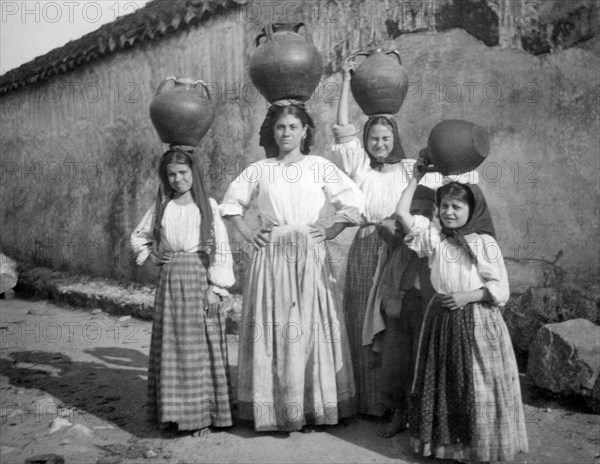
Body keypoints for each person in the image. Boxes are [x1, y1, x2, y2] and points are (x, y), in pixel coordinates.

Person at [219, 100, 364, 432]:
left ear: (305, 132)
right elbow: (231, 204)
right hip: (271, 256)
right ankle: (277, 406)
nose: (286, 133)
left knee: (310, 325)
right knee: (275, 325)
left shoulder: (318, 166)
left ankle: (314, 405)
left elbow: (353, 202)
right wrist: (247, 232)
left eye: (293, 127)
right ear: (274, 131)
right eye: (281, 127)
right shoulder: (262, 169)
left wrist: (330, 231)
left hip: (310, 254)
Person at [330, 59, 440, 417]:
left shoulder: (411, 169)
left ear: (395, 139)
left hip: (400, 251)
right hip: (365, 247)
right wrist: (346, 80)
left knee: (392, 324)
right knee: (361, 315)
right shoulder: (360, 166)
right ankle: (366, 401)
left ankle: (394, 405)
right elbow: (342, 128)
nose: (379, 144)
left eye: (386, 138)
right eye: (374, 139)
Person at [395, 168, 528, 462]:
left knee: (478, 385)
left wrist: (467, 296)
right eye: (444, 206)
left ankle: (479, 447)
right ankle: (447, 446)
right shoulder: (435, 238)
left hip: (478, 321)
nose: (449, 212)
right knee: (443, 381)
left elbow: (500, 289)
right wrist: (416, 177)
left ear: (473, 209)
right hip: (442, 318)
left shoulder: (483, 242)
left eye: (457, 207)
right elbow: (402, 215)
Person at [131, 147, 235, 437]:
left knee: (199, 348)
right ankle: (174, 415)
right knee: (172, 347)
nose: (178, 179)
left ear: (194, 173)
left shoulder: (207, 206)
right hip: (170, 282)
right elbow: (139, 237)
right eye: (172, 174)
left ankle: (203, 416)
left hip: (199, 279)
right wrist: (151, 254)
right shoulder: (163, 206)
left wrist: (216, 289)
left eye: (183, 172)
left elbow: (221, 249)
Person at [364, 185, 436, 438]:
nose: (421, 217)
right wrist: (404, 221)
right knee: (395, 362)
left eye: (428, 212)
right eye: (415, 211)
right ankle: (397, 412)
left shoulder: (437, 237)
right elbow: (384, 226)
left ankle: (423, 418)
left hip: (429, 306)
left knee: (425, 361)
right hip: (400, 304)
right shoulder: (400, 236)